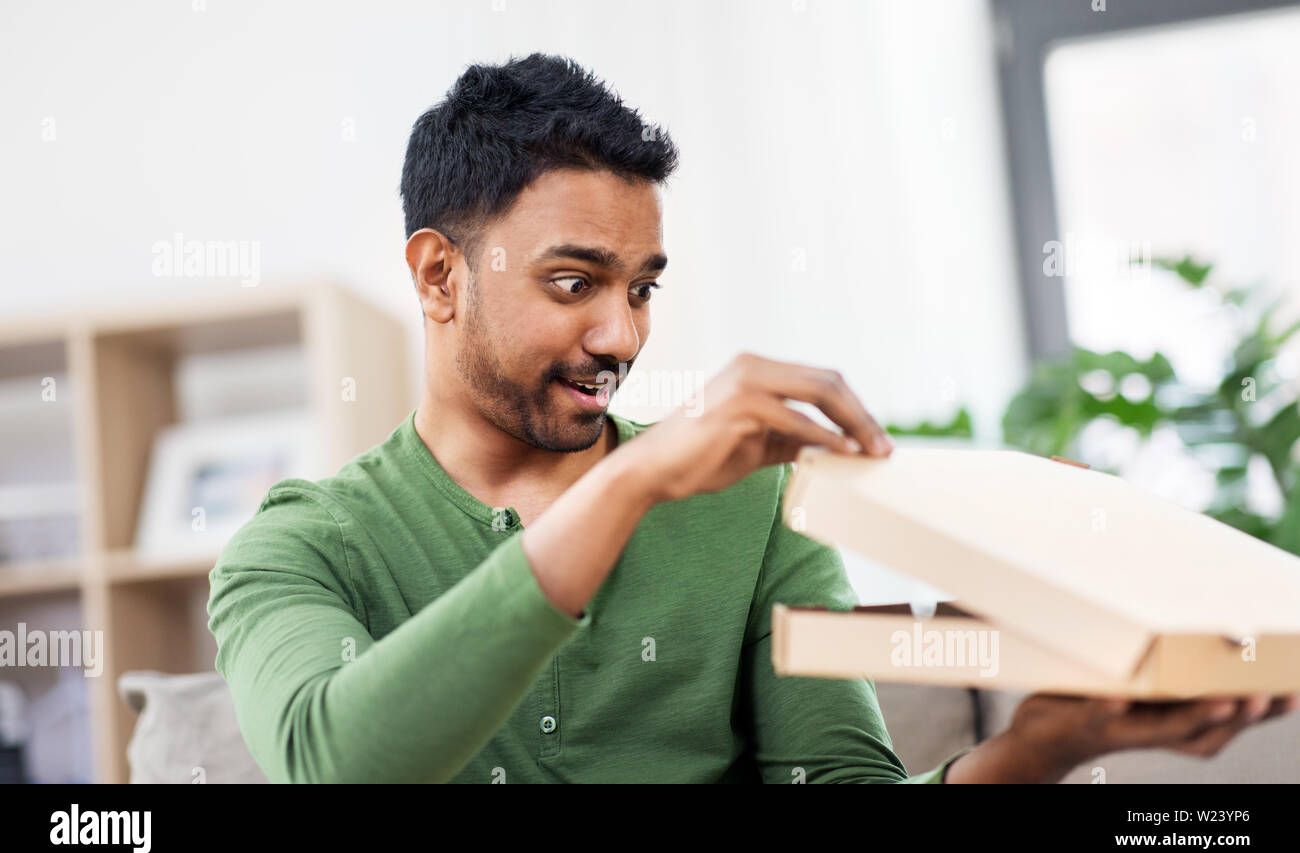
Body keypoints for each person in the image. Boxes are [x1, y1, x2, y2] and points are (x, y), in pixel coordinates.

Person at [207, 52, 1298, 784]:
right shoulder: (299, 544)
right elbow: (336, 761)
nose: (621, 338)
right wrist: (631, 482)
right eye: (574, 282)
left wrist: (1044, 747)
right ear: (440, 274)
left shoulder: (754, 510)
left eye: (641, 288)